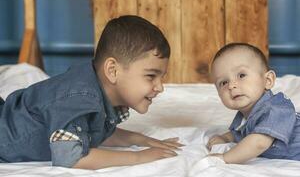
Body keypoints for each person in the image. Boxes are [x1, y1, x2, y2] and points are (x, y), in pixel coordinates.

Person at [0, 15, 183, 169]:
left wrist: (139, 139)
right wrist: (139, 157)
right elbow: (70, 158)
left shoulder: (95, 90)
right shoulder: (79, 99)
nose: (160, 87)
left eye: (161, 77)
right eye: (151, 76)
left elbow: (93, 131)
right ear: (112, 70)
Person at [207, 42, 300, 164]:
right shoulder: (244, 115)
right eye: (223, 83)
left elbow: (258, 142)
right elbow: (242, 132)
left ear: (268, 80)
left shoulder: (276, 108)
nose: (231, 85)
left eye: (241, 75)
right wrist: (225, 137)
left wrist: (225, 158)